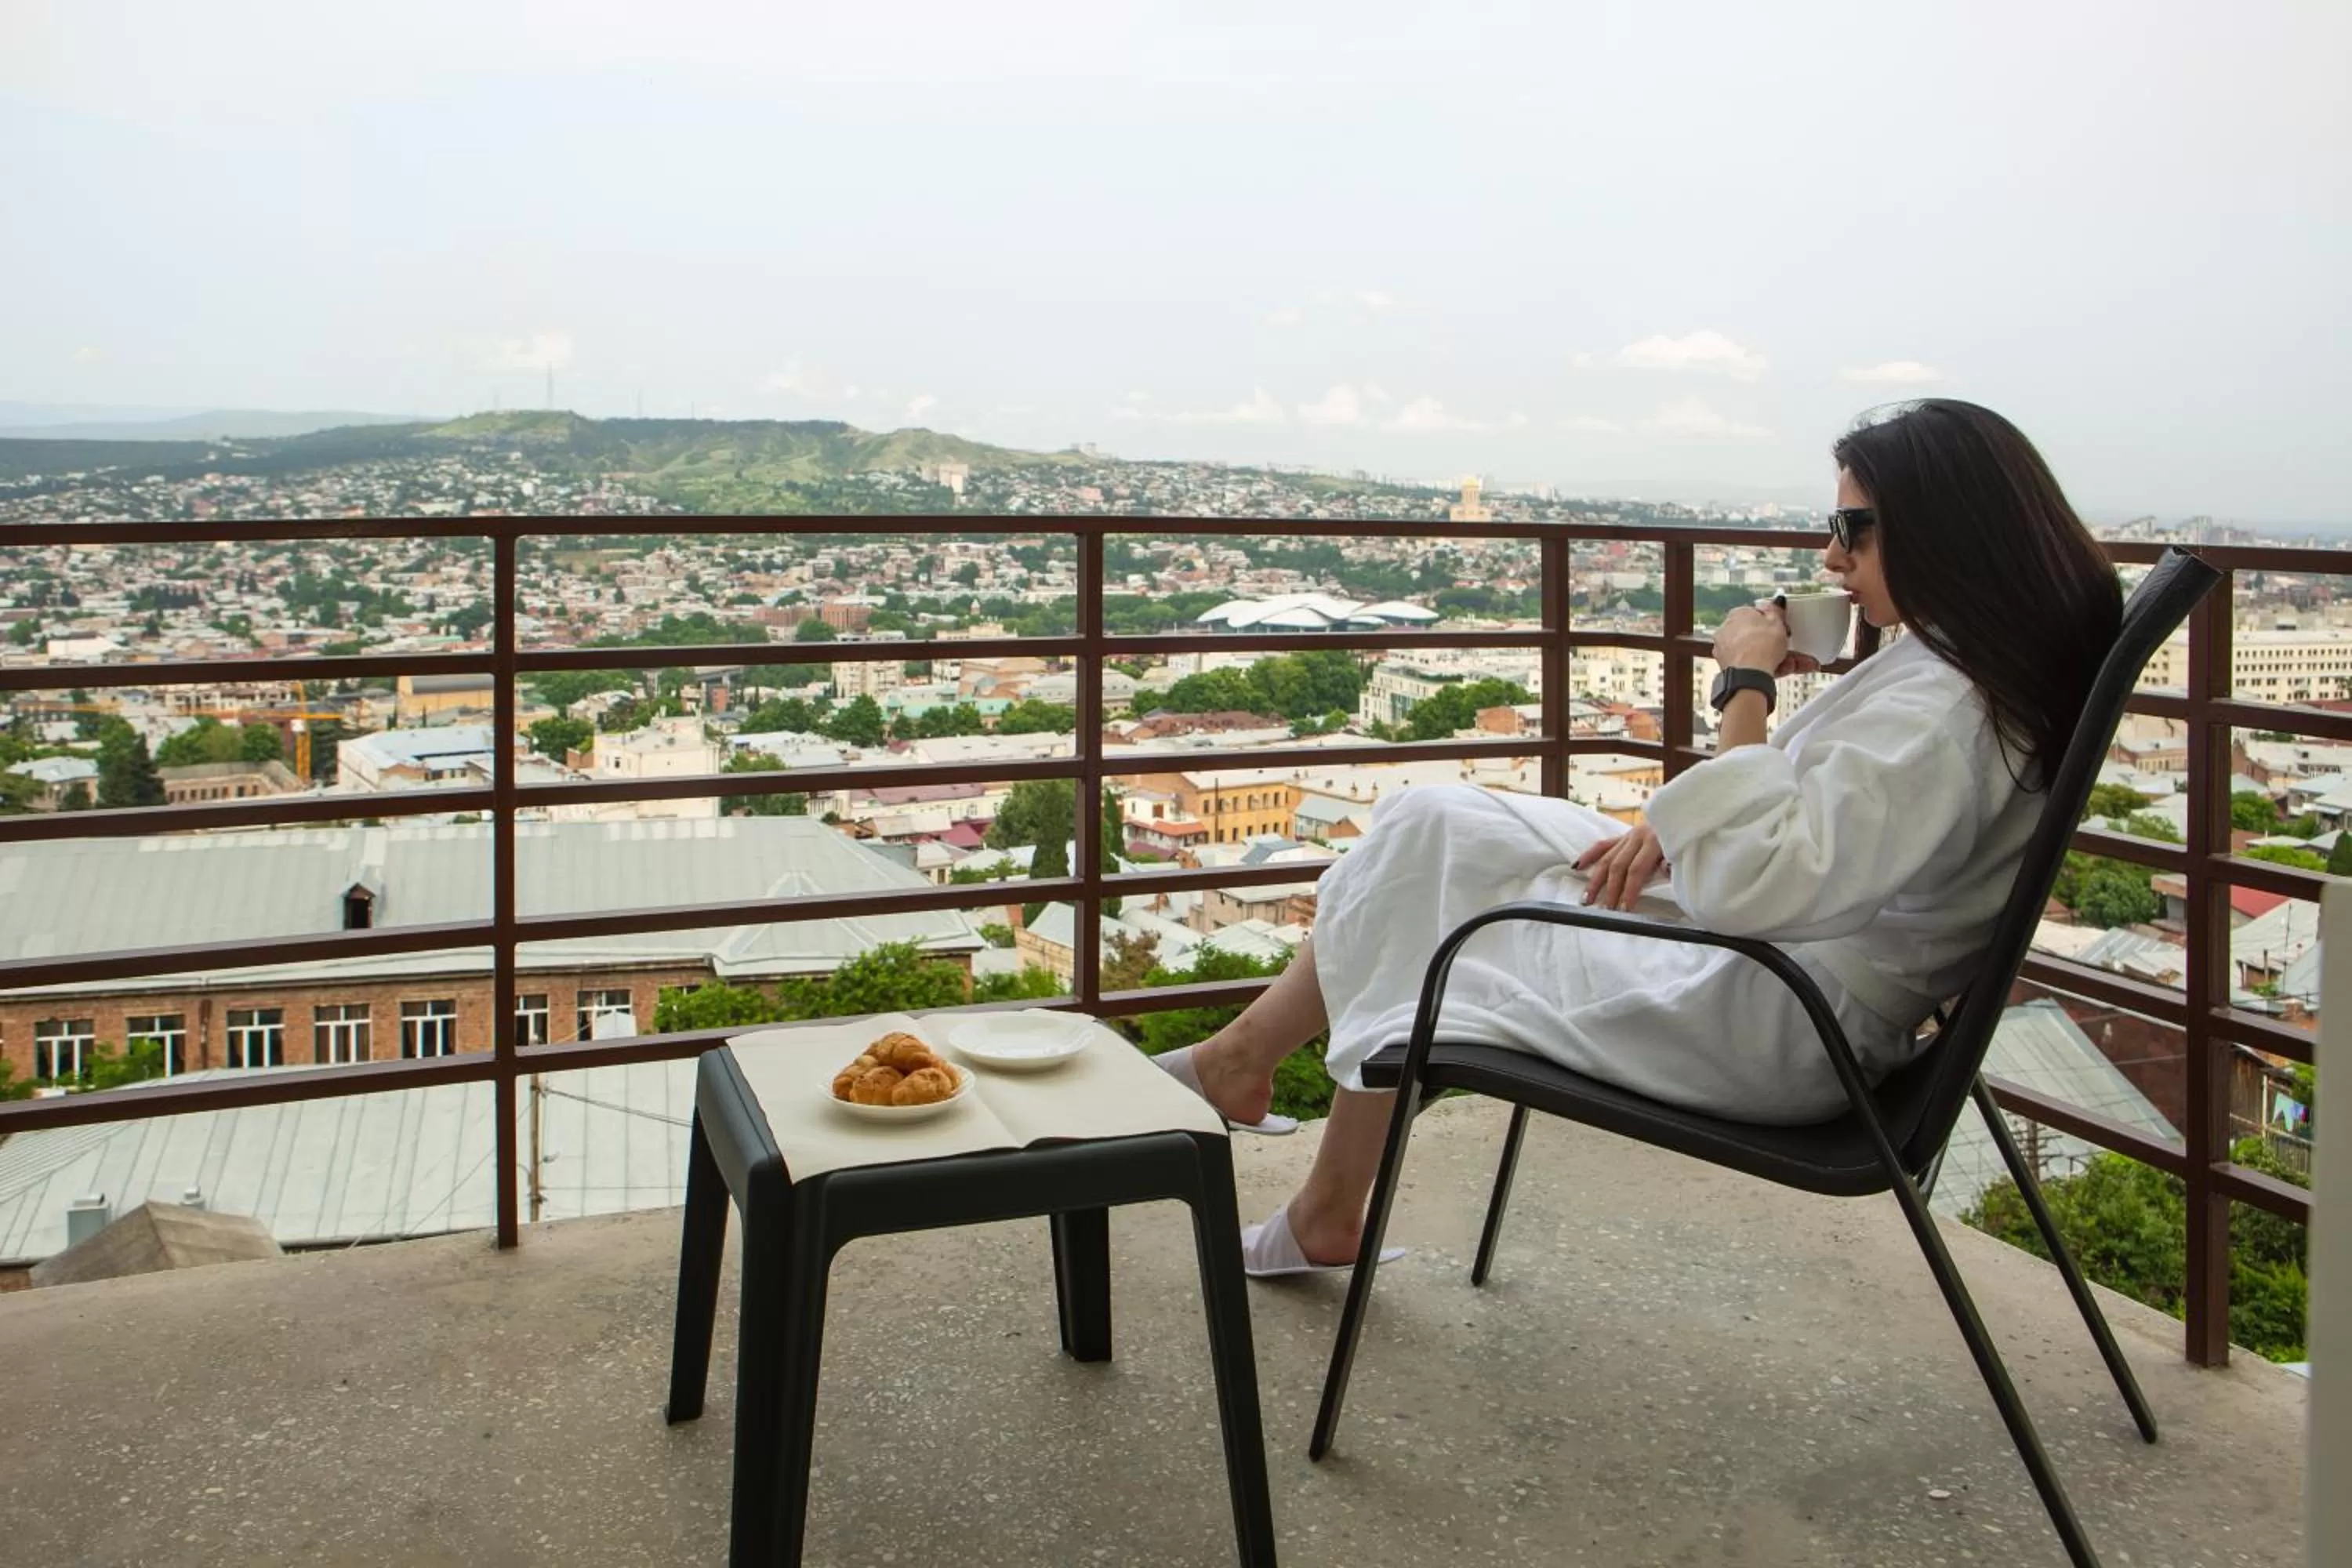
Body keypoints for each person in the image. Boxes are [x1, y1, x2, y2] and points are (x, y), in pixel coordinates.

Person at [1156, 399, 2124, 1275]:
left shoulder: (1948, 712)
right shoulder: (1957, 665)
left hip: (1770, 1012)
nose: (1832, 558)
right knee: (1434, 825)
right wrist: (1671, 823)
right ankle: (1259, 1088)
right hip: (1775, 955)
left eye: (1853, 528)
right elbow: (1810, 834)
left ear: (1945, 530)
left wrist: (1744, 683)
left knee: (1439, 902)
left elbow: (1760, 878)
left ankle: (1282, 1130)